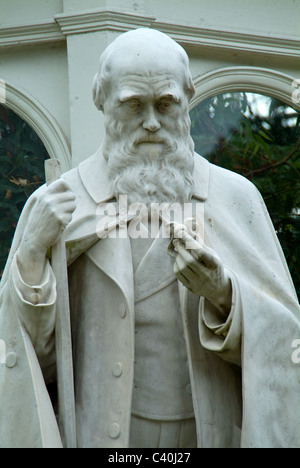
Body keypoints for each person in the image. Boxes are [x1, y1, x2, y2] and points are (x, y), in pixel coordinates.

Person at [0, 28, 300, 449]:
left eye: (165, 104)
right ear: (103, 102)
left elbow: (286, 340)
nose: (152, 123)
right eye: (134, 105)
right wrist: (32, 255)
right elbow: (31, 360)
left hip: (207, 434)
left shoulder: (234, 198)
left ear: (187, 99)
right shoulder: (59, 203)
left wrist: (224, 294)